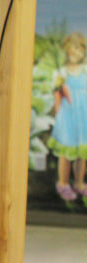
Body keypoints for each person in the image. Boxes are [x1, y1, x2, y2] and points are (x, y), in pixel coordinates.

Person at [49, 31, 87, 201]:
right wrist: (58, 115)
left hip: (83, 117)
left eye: (80, 49)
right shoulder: (62, 72)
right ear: (66, 50)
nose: (76, 53)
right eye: (73, 48)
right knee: (66, 152)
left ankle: (79, 183)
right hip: (68, 116)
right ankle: (63, 183)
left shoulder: (85, 70)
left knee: (81, 153)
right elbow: (57, 95)